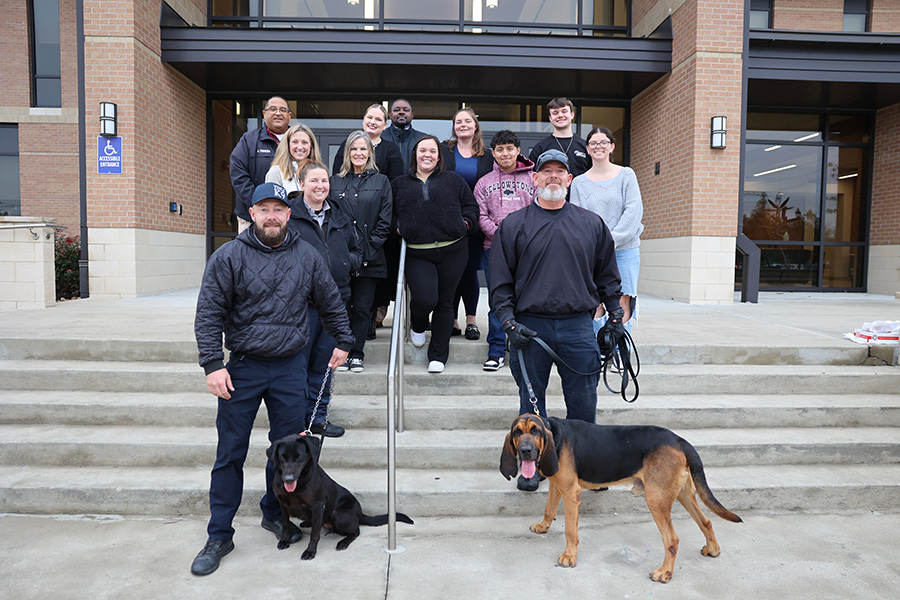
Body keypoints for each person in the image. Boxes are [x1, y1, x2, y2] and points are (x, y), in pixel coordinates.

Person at [191, 181, 353, 576]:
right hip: (242, 368)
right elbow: (209, 312)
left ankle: (272, 511)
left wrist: (345, 341)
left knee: (288, 453)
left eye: (279, 209)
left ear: (288, 212)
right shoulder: (228, 256)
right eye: (264, 209)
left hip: (289, 368)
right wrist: (213, 363)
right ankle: (219, 535)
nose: (272, 216)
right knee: (230, 453)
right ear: (251, 214)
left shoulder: (307, 254)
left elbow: (330, 300)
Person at [489, 149, 623, 491]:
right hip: (528, 330)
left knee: (583, 405)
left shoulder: (591, 224)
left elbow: (608, 276)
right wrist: (508, 323)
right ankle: (532, 471)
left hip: (578, 327)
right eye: (545, 171)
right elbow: (500, 283)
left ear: (569, 179)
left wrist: (615, 314)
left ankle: (588, 470)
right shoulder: (513, 225)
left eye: (559, 172)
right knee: (530, 408)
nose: (552, 176)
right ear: (534, 179)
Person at [392, 135, 479, 374]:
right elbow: (389, 214)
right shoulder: (399, 183)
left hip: (454, 250)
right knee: (424, 298)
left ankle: (438, 355)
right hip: (418, 253)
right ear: (415, 155)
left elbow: (471, 207)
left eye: (432, 151)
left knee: (445, 302)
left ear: (439, 156)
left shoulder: (453, 180)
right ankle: (418, 324)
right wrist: (398, 228)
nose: (427, 155)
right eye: (422, 151)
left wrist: (466, 225)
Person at [288, 161, 362, 438]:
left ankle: (318, 417)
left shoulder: (339, 213)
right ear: (302, 184)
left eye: (324, 181)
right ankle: (296, 419)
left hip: (336, 301)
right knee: (298, 364)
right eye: (314, 181)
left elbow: (355, 248)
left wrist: (348, 263)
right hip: (301, 305)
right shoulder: (290, 215)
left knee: (326, 364)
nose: (320, 186)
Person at [330, 131, 393, 373]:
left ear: (370, 153)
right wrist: (342, 251)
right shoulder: (335, 181)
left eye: (363, 149)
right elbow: (331, 218)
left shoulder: (382, 181)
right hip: (341, 257)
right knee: (342, 306)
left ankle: (356, 353)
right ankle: (342, 351)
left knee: (363, 308)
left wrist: (368, 249)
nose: (358, 153)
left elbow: (385, 220)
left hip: (371, 257)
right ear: (347, 152)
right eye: (353, 149)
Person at [570, 127, 644, 330]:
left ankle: (620, 352)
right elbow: (577, 219)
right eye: (593, 143)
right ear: (587, 148)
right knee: (596, 303)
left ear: (611, 146)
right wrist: (596, 246)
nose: (598, 146)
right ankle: (599, 352)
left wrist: (609, 241)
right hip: (593, 254)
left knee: (623, 303)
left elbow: (633, 211)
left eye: (603, 142)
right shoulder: (579, 183)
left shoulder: (626, 175)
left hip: (625, 251)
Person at [474, 130, 535, 371]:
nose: (505, 153)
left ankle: (523, 348)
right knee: (498, 300)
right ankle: (497, 349)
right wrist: (502, 236)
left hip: (528, 251)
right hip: (494, 250)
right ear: (494, 153)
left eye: (510, 148)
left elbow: (539, 211)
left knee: (527, 300)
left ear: (518, 150)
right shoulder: (484, 183)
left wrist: (521, 238)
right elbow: (480, 216)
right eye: (500, 149)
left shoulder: (533, 179)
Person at [441, 107, 495, 342]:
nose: (462, 125)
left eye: (467, 121)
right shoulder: (445, 150)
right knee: (451, 271)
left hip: (476, 220)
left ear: (475, 126)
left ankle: (471, 320)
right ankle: (452, 319)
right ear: (454, 127)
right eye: (458, 122)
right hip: (448, 219)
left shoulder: (488, 155)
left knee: (470, 271)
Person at [230, 96, 292, 232]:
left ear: (289, 115)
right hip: (250, 217)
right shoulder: (249, 140)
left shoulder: (298, 141)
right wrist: (259, 203)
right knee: (249, 253)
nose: (278, 113)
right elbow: (238, 174)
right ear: (264, 114)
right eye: (273, 109)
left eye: (282, 110)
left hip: (291, 218)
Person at [331, 104, 404, 181]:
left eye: (378, 119)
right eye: (369, 117)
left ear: (385, 125)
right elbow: (337, 177)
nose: (372, 122)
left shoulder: (391, 149)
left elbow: (395, 182)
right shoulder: (347, 144)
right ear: (363, 120)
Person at [527, 97, 590, 177]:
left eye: (564, 111)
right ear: (550, 118)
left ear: (572, 115)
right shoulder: (540, 148)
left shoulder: (585, 147)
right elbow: (530, 177)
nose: (560, 115)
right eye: (555, 113)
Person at [265, 123, 323, 194]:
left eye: (304, 142)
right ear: (288, 146)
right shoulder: (276, 172)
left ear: (311, 147)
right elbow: (272, 203)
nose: (300, 147)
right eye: (295, 142)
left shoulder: (320, 172)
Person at [381, 98, 427, 172]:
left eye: (406, 110)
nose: (401, 112)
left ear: (412, 115)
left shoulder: (423, 140)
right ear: (390, 115)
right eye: (396, 110)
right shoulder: (381, 137)